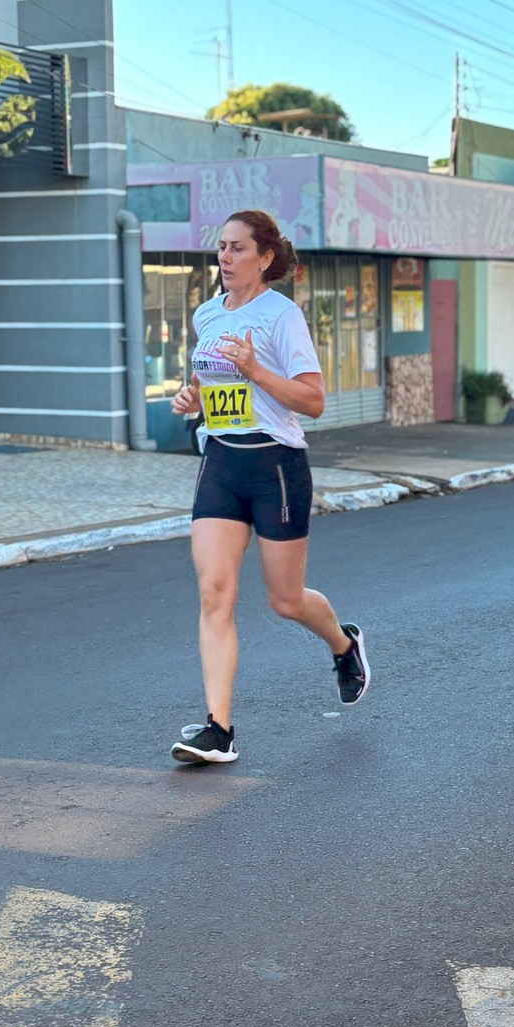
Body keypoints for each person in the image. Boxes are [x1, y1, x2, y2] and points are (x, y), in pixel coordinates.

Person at [169, 209, 370, 765]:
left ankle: (343, 644)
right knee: (215, 592)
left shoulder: (282, 317)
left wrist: (257, 371)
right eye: (221, 248)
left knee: (285, 600)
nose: (224, 258)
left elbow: (313, 400)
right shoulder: (206, 314)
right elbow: (208, 381)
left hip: (275, 465)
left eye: (236, 249)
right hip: (221, 462)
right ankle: (218, 729)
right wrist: (192, 398)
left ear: (264, 258)